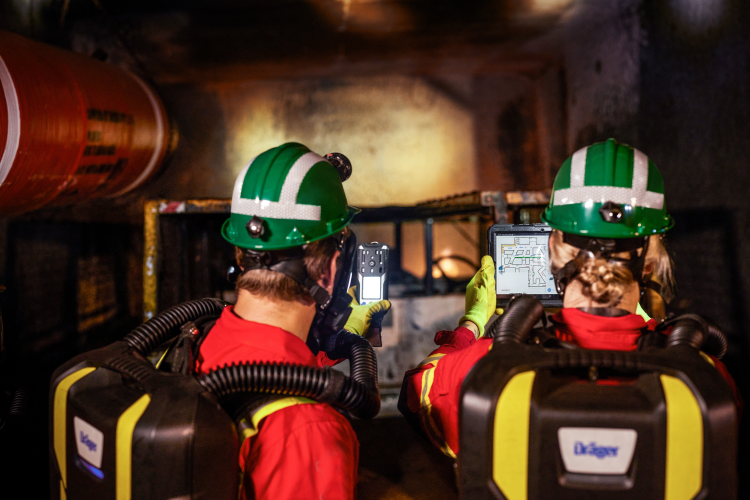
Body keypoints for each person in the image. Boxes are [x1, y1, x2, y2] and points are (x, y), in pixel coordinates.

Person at [399, 138, 741, 458]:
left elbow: (416, 395)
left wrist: (472, 323)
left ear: (554, 252)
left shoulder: (481, 369)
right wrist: (644, 319)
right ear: (650, 264)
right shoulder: (707, 378)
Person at [196, 142, 390, 500]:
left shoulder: (201, 338)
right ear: (332, 270)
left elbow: (269, 362)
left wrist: (343, 338)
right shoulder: (309, 431)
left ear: (240, 255)